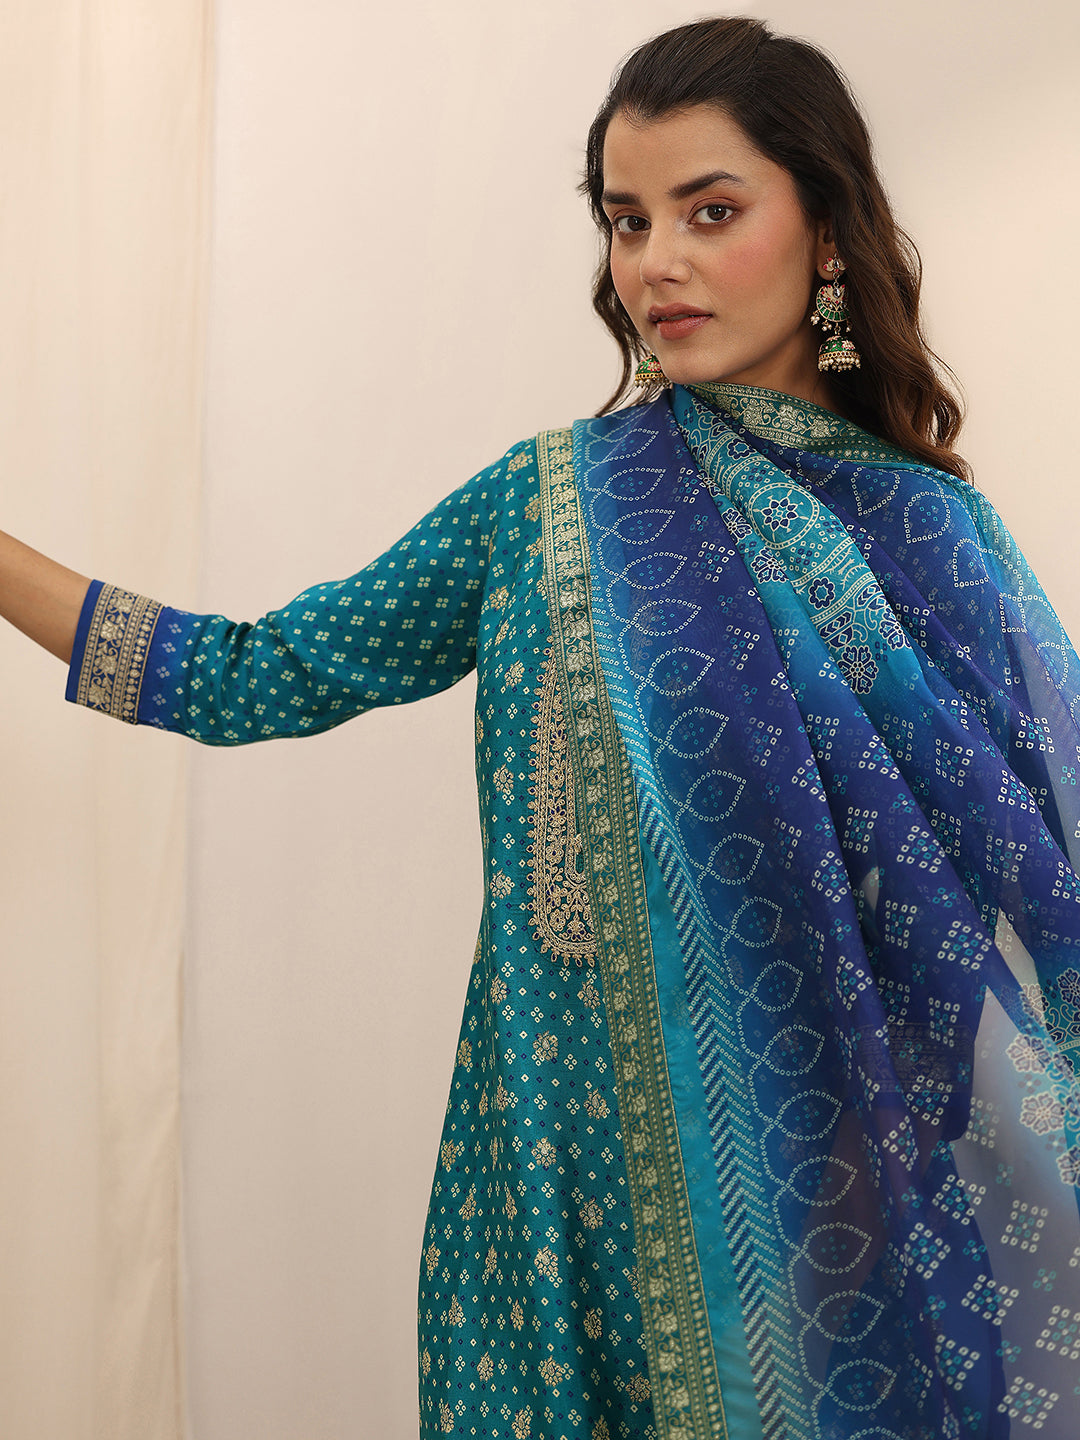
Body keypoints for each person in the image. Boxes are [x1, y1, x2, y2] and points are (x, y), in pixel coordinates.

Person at [3, 15, 1079, 1439]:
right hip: (546, 1183)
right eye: (629, 221)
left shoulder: (930, 537)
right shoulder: (542, 502)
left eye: (710, 212)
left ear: (825, 230)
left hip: (822, 1214)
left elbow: (1034, 880)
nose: (658, 263)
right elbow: (251, 675)